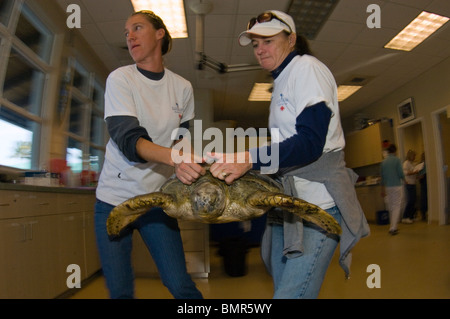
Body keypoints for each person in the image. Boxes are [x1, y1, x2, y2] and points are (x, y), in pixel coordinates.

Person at [208, 10, 369, 299]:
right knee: (282, 289)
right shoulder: (281, 81)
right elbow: (286, 149)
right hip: (289, 205)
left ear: (291, 39)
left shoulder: (306, 68)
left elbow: (310, 142)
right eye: (255, 44)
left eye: (267, 41)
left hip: (317, 206)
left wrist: (249, 158)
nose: (260, 50)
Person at [94, 10, 205, 299]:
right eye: (126, 32)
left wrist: (186, 162)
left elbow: (183, 137)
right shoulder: (120, 79)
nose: (129, 36)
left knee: (179, 284)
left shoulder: (182, 87)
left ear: (160, 34)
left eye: (137, 28)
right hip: (114, 200)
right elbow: (130, 140)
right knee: (120, 291)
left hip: (157, 200)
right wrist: (175, 158)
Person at [380, 144, 405, 235]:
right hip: (396, 186)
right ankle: (393, 228)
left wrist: (382, 190)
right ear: (395, 151)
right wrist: (405, 179)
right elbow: (400, 173)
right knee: (397, 206)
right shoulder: (397, 160)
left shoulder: (383, 162)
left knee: (391, 207)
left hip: (388, 187)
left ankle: (392, 226)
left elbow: (382, 177)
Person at [402, 149, 417, 224]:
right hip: (409, 184)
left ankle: (411, 216)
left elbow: (413, 172)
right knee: (410, 201)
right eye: (414, 155)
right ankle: (405, 217)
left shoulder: (412, 164)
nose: (414, 157)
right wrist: (414, 172)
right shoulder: (406, 163)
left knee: (413, 200)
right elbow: (405, 172)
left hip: (413, 183)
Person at [418, 152, 427, 220]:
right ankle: (423, 213)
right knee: (424, 197)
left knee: (425, 197)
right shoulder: (422, 164)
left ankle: (424, 212)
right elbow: (420, 174)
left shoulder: (425, 163)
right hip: (423, 180)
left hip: (425, 179)